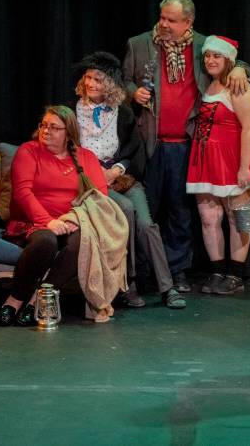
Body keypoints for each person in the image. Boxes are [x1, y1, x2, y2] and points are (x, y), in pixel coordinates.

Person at [123, 0, 250, 292]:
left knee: (182, 213)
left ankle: (178, 271)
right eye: (162, 17)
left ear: (188, 22)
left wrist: (242, 68)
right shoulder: (139, 44)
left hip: (190, 143)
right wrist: (133, 92)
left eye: (172, 20)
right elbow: (123, 79)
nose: (164, 24)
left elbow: (229, 60)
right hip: (151, 142)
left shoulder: (203, 46)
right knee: (148, 211)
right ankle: (144, 273)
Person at [70, 52, 186, 309]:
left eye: (98, 80)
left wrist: (118, 169)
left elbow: (135, 150)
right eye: (88, 78)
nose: (91, 84)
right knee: (127, 211)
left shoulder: (121, 112)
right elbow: (67, 150)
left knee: (146, 224)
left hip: (122, 178)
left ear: (109, 84)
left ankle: (167, 288)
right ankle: (128, 284)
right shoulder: (73, 111)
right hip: (90, 182)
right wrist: (94, 172)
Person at [0, 106, 110, 326]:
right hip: (34, 221)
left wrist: (74, 218)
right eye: (44, 125)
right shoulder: (28, 151)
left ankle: (40, 300)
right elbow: (23, 193)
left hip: (73, 221)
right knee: (46, 241)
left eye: (54, 127)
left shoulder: (86, 157)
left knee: (81, 243)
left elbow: (99, 196)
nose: (46, 131)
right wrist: (48, 221)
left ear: (69, 133)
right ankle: (16, 298)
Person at [186, 36, 250, 295]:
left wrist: (244, 167)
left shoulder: (238, 85)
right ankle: (217, 271)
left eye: (217, 56)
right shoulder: (206, 85)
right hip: (205, 160)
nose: (211, 60)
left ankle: (236, 275)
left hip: (233, 159)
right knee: (209, 217)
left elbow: (249, 127)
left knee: (238, 218)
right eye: (208, 56)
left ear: (228, 59)